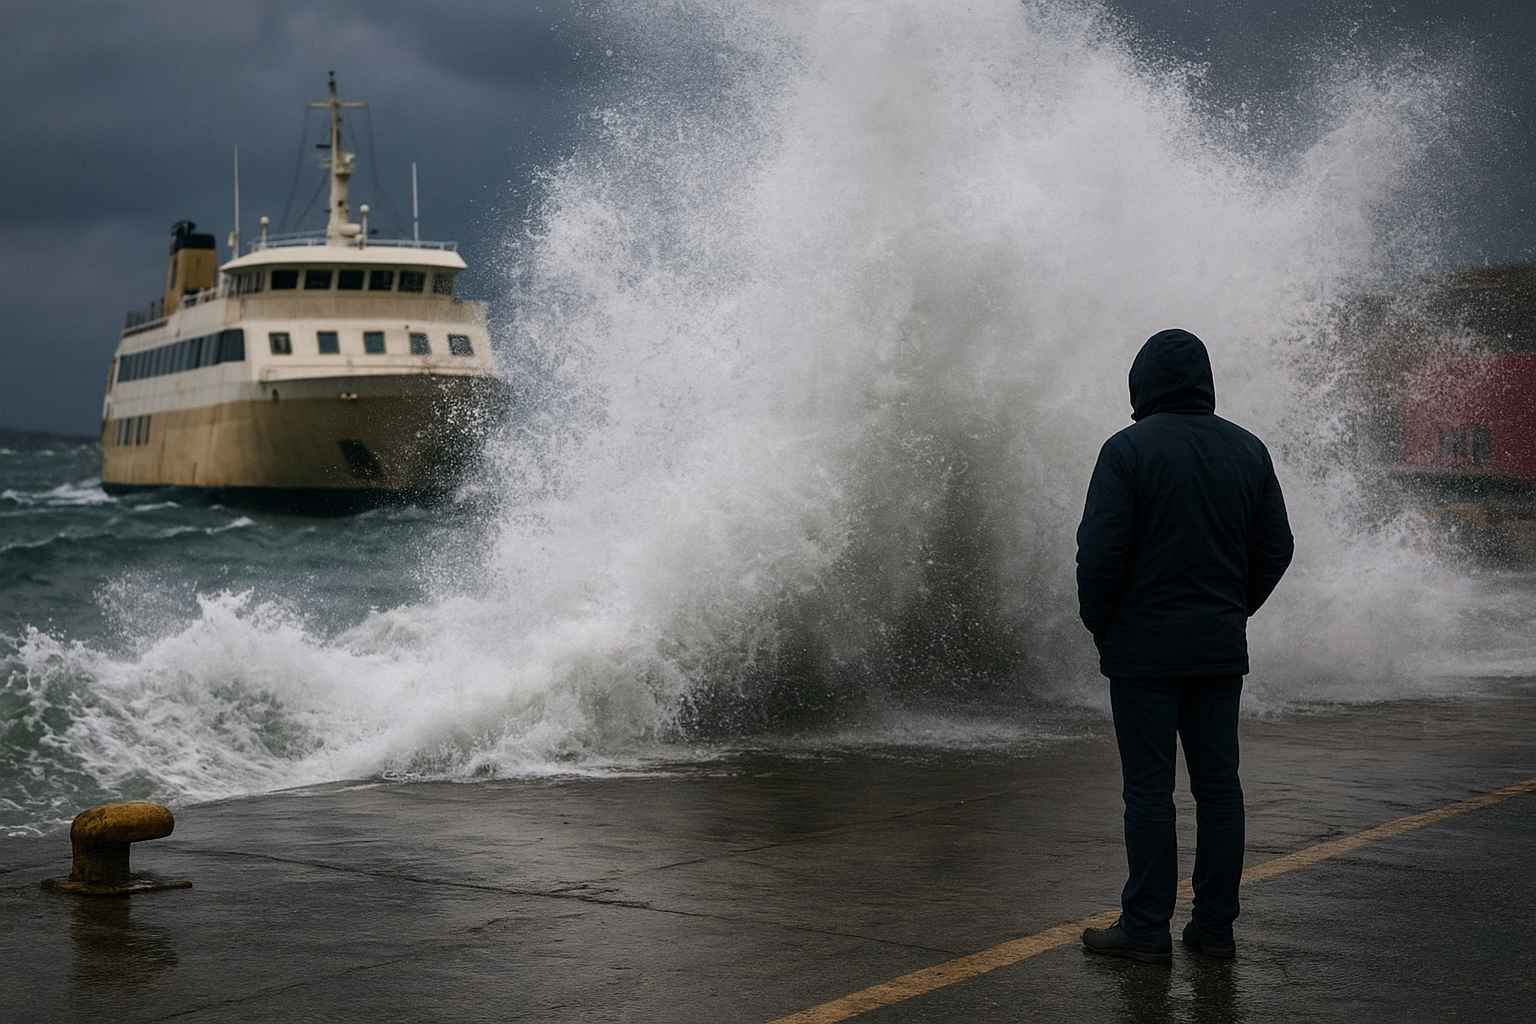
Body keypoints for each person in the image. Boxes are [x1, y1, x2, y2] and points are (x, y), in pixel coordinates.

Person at [1075, 328, 1293, 965]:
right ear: (1204, 381)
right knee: (1219, 788)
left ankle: (1145, 927)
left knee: (1149, 790)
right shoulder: (1248, 450)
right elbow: (1276, 549)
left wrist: (1103, 624)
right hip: (1218, 648)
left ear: (1142, 383)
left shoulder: (1127, 451)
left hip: (1143, 651)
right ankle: (1214, 929)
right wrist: (1231, 610)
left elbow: (1101, 555)